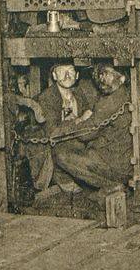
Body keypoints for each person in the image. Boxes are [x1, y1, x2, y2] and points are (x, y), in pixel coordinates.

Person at [53, 64, 131, 201]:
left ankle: (111, 185)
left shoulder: (110, 101)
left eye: (108, 74)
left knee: (61, 154)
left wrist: (76, 122)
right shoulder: (124, 93)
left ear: (122, 79)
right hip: (124, 159)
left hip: (117, 167)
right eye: (101, 74)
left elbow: (85, 134)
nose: (102, 78)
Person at [22, 62, 97, 193]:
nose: (67, 75)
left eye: (71, 71)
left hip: (75, 141)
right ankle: (63, 178)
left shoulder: (78, 92)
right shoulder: (47, 97)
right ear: (54, 76)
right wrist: (79, 120)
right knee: (65, 156)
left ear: (77, 75)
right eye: (61, 71)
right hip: (55, 148)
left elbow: (88, 115)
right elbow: (53, 132)